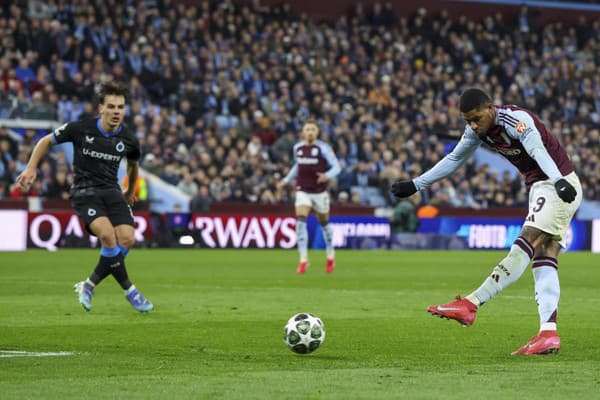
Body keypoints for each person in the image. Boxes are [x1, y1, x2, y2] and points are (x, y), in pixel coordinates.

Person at [391, 88, 582, 355]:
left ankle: (472, 303)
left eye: (477, 118)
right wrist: (416, 185)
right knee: (544, 255)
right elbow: (454, 159)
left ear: (490, 108)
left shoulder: (516, 120)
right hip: (542, 186)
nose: (473, 125)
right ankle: (547, 333)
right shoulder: (476, 131)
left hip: (555, 183)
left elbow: (538, 150)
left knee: (526, 241)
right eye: (468, 120)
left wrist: (558, 180)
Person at [16, 81, 153, 313]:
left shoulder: (129, 139)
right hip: (85, 192)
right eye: (111, 107)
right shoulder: (81, 128)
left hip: (112, 191)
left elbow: (133, 164)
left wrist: (130, 192)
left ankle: (88, 285)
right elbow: (45, 141)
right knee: (109, 236)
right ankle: (131, 291)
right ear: (101, 108)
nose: (116, 112)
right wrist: (31, 168)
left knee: (127, 239)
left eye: (120, 107)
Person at [277, 120, 341, 274]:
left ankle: (330, 255)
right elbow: (297, 166)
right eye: (307, 129)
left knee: (324, 223)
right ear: (303, 132)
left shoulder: (323, 148)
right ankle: (303, 260)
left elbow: (337, 167)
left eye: (313, 129)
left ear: (317, 132)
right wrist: (286, 180)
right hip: (303, 190)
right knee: (300, 221)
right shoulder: (297, 148)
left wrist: (326, 175)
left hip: (319, 192)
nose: (310, 132)